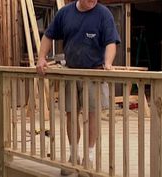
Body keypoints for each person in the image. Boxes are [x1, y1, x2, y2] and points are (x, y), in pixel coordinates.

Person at [36, 0, 120, 176]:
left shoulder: (103, 14)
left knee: (92, 115)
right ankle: (73, 156)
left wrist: (108, 62)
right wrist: (42, 58)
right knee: (70, 114)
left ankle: (88, 158)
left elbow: (111, 42)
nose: (93, 1)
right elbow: (48, 35)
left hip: (94, 73)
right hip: (71, 73)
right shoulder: (65, 13)